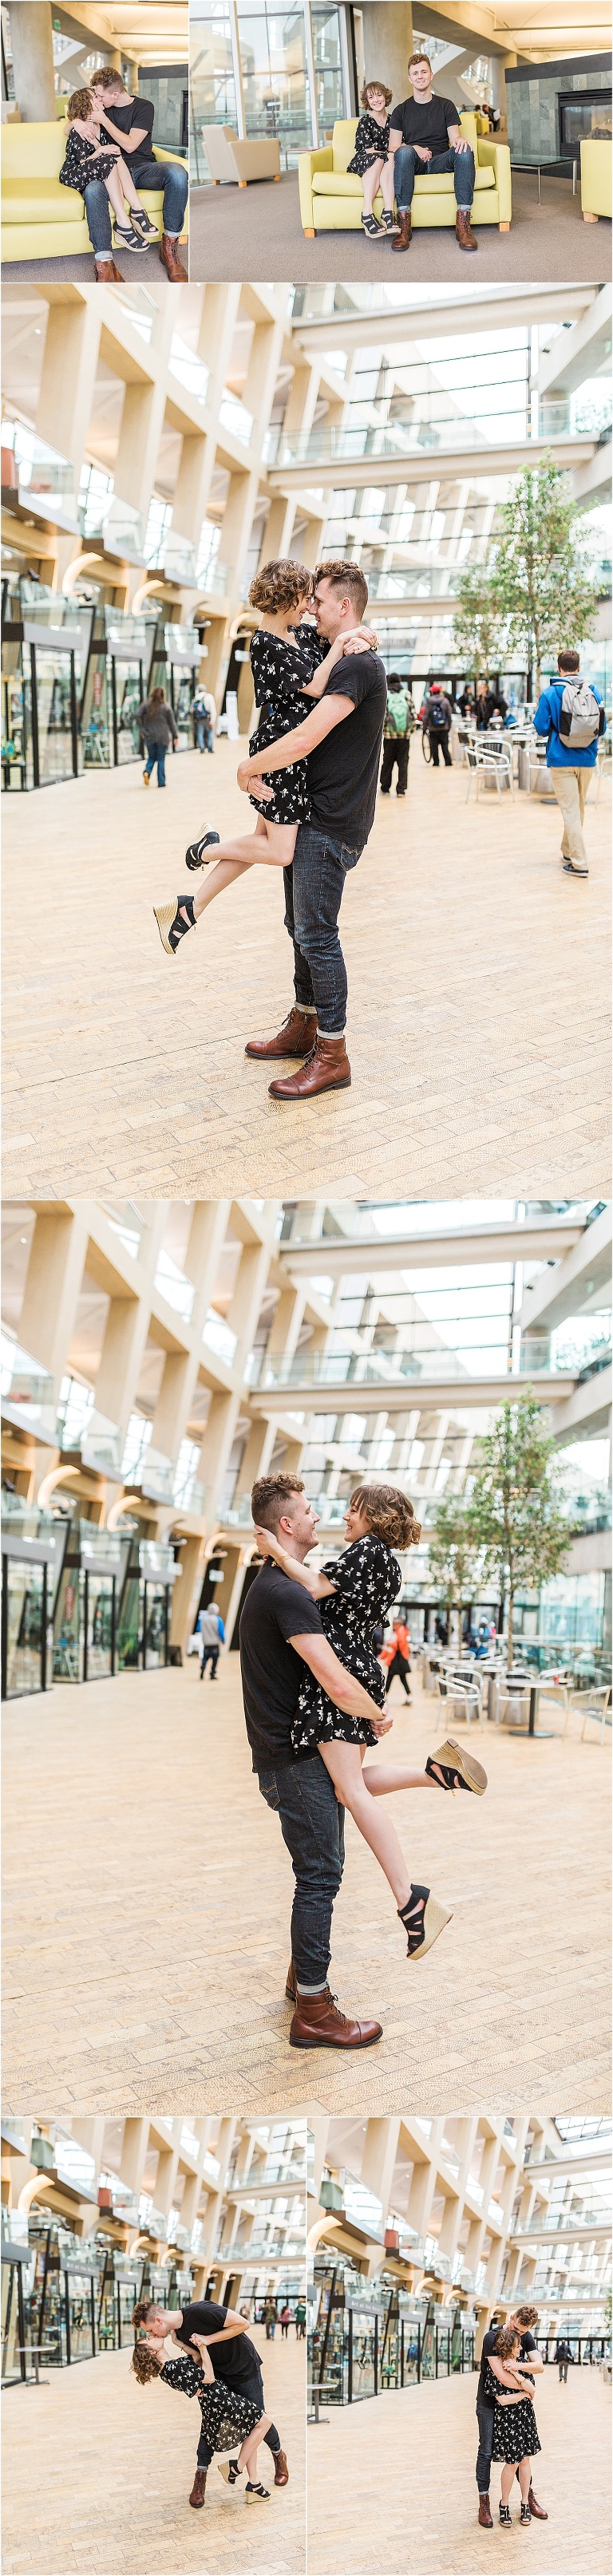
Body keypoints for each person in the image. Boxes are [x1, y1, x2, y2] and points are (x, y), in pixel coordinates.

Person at [247, 1475, 488, 2036]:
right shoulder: (380, 1558)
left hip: (344, 1683)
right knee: (345, 1785)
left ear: (372, 1517)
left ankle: (411, 1902)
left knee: (347, 1798)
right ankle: (437, 1774)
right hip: (353, 1681)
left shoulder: (364, 1553)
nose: (335, 1517)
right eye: (309, 1510)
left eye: (350, 1509)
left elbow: (312, 1589)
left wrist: (275, 1552)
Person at [223, 560, 388, 1100]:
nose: (310, 607)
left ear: (343, 606)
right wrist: (358, 634)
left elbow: (304, 739)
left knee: (317, 933)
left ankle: (332, 1052)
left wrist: (248, 770)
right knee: (299, 926)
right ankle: (305, 1023)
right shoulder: (335, 652)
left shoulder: (358, 669)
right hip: (311, 812)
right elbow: (293, 646)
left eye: (319, 599)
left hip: (331, 820)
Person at [153, 561, 376, 960]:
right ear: (288, 599)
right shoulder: (264, 644)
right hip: (282, 754)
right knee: (279, 851)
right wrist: (344, 644)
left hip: (292, 755)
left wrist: (362, 636)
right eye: (306, 598)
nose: (310, 607)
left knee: (260, 842)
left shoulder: (302, 636)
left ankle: (190, 908)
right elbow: (316, 685)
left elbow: (340, 637)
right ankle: (206, 850)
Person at [132, 2294, 289, 2510]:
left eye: (149, 2331)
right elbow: (198, 2363)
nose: (151, 2334)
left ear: (158, 2321)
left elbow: (244, 2324)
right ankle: (252, 2483)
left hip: (244, 2370)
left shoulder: (201, 2311)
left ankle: (276, 2457)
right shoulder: (176, 2337)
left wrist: (208, 2340)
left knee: (259, 2423)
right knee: (254, 2424)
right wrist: (180, 2344)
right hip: (219, 2382)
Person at [89, 66, 188, 282]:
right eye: (96, 95)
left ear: (115, 94)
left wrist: (104, 121)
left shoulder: (144, 107)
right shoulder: (99, 106)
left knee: (178, 173)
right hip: (111, 172)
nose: (97, 99)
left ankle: (169, 246)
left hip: (142, 169)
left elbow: (131, 145)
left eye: (101, 95)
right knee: (92, 189)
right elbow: (70, 122)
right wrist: (77, 122)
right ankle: (104, 262)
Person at [388, 53, 477, 255]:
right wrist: (414, 148)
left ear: (431, 74)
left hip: (440, 161)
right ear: (409, 78)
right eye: (415, 73)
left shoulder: (446, 105)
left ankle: (463, 225)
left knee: (464, 150)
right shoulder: (401, 111)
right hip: (414, 163)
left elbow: (455, 139)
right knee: (402, 152)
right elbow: (393, 147)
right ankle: (403, 226)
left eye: (423, 72)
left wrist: (460, 141)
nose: (420, 76)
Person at [532, 646, 606, 879]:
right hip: (587, 759)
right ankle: (568, 852)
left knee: (571, 811)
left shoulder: (551, 693)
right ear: (579, 668)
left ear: (559, 668)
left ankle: (580, 863)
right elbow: (601, 728)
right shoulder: (594, 691)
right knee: (578, 809)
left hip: (561, 759)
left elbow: (542, 727)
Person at [59, 89, 156, 257]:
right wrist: (99, 150)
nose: (100, 99)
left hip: (93, 167)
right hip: (72, 173)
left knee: (115, 155)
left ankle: (136, 209)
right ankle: (123, 221)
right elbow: (82, 162)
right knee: (108, 157)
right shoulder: (79, 131)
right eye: (96, 97)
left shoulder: (99, 126)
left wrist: (102, 149)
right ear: (87, 104)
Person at [476, 2304, 548, 2529]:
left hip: (518, 2407)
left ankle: (528, 2497)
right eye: (516, 2328)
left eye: (523, 2332)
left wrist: (517, 2366)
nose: (519, 2335)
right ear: (510, 2317)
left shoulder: (524, 2336)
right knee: (487, 2451)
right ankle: (485, 2502)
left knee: (523, 2455)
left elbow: (539, 2366)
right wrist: (526, 2389)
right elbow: (502, 2378)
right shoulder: (492, 2338)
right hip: (490, 2403)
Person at [346, 81, 399, 240]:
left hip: (385, 159)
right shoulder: (365, 122)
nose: (376, 100)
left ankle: (388, 212)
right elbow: (369, 151)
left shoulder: (394, 120)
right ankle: (367, 213)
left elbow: (398, 144)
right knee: (380, 157)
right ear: (367, 101)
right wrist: (389, 153)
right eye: (371, 97)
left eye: (379, 95)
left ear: (385, 96)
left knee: (390, 157)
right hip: (364, 159)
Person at [137, 685, 177, 787]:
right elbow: (172, 723)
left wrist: (143, 730)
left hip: (149, 735)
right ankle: (161, 782)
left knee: (151, 757)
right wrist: (175, 736)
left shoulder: (146, 705)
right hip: (163, 737)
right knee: (160, 759)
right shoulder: (166, 707)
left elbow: (137, 715)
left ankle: (147, 771)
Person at [380, 676, 413, 796]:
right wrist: (409, 731)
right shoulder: (406, 694)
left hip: (389, 736)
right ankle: (401, 789)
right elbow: (413, 713)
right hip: (404, 736)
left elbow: (383, 715)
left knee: (387, 761)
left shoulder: (387, 695)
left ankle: (385, 787)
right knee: (403, 763)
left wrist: (384, 731)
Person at [422, 681, 453, 766]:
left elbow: (426, 715)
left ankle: (436, 762)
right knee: (445, 746)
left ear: (432, 692)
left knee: (434, 747)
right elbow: (449, 714)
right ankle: (448, 762)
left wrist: (424, 728)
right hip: (444, 728)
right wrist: (449, 726)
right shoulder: (445, 701)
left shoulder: (429, 702)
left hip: (433, 728)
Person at [382, 1614, 412, 1699]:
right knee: (400, 1677)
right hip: (398, 1658)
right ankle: (409, 1695)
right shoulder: (399, 1631)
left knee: (393, 1676)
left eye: (395, 1624)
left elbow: (400, 1644)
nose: (394, 1625)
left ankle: (385, 1695)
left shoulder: (401, 1631)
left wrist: (390, 1643)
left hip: (398, 1658)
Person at [197, 1601, 224, 1680]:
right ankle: (212, 1674)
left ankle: (203, 1667)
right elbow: (221, 1632)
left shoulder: (203, 1619)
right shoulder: (218, 1620)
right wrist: (223, 1640)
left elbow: (199, 1629)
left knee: (205, 1658)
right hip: (215, 1643)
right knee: (215, 1660)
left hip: (206, 1643)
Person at [192, 685, 216, 753]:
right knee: (210, 733)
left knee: (200, 733)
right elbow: (213, 709)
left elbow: (192, 710)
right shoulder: (209, 696)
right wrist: (212, 720)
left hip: (199, 719)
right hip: (207, 718)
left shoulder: (196, 697)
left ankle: (202, 748)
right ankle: (210, 748)